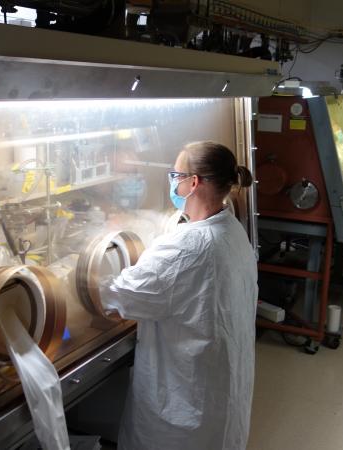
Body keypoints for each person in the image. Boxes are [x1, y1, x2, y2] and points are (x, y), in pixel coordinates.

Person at [101, 141, 259, 450]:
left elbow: (120, 295)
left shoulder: (188, 247)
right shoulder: (232, 229)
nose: (173, 181)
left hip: (187, 402)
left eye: (176, 174)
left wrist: (78, 276)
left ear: (193, 183)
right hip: (218, 387)